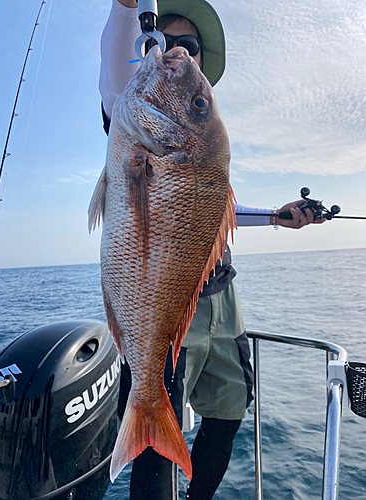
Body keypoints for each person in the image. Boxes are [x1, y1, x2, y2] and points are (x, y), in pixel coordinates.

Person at [99, 1, 325, 498]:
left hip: (223, 299)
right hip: (169, 299)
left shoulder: (199, 141)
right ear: (147, 48)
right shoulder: (131, 111)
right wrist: (126, 9)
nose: (177, 50)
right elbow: (117, 63)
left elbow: (208, 210)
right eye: (164, 39)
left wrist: (274, 218)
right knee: (157, 415)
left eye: (190, 47)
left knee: (230, 408)